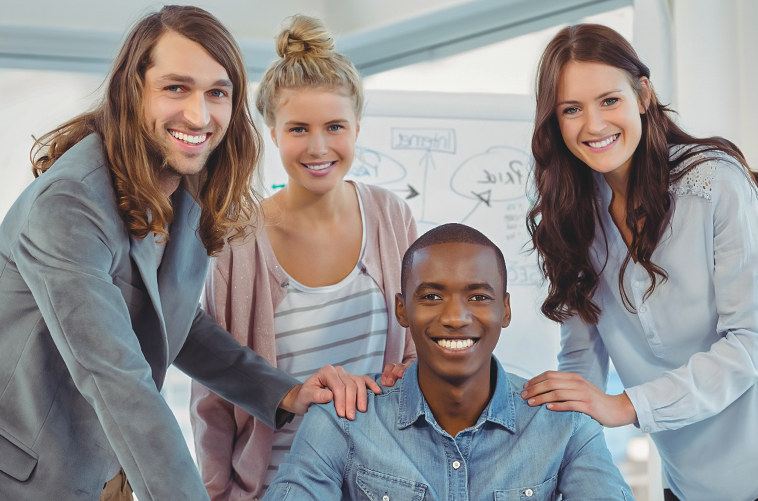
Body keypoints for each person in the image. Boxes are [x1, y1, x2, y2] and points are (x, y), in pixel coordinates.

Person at [0, 7, 381, 501]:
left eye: (216, 93)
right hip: (32, 477)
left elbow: (175, 323)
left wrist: (282, 392)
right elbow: (116, 378)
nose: (200, 116)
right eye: (176, 88)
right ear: (132, 90)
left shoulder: (185, 184)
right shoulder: (70, 205)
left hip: (113, 471)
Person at [521, 24, 758, 501]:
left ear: (643, 94)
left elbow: (752, 342)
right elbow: (582, 360)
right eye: (572, 109)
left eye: (609, 100)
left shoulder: (715, 182)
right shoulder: (573, 218)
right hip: (692, 476)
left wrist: (625, 405)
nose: (593, 124)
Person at [189, 14, 417, 501]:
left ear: (357, 126)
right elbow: (214, 391)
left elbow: (418, 346)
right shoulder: (238, 240)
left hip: (381, 483)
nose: (318, 147)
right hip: (272, 486)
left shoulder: (391, 216)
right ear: (272, 132)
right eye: (298, 128)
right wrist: (217, 494)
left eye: (335, 126)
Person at [262, 223, 634, 500]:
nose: (456, 317)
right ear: (402, 310)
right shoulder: (343, 419)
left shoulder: (564, 423)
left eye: (477, 297)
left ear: (504, 309)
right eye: (432, 297)